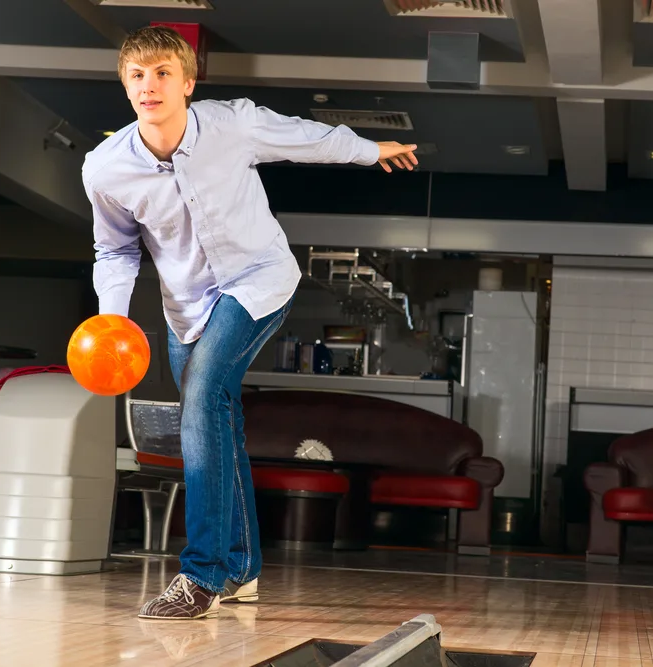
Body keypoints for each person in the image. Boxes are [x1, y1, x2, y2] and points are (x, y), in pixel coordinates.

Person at [82, 25, 418, 621]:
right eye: (137, 75)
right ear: (124, 85)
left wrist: (371, 149)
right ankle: (240, 569)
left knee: (203, 396)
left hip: (259, 279)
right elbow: (116, 252)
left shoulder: (230, 124)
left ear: (188, 82)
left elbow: (303, 138)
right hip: (187, 306)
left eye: (162, 73)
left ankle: (201, 574)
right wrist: (111, 322)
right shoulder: (106, 169)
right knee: (216, 420)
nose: (149, 85)